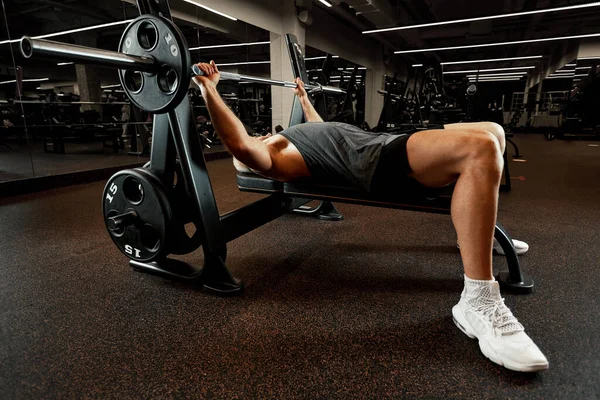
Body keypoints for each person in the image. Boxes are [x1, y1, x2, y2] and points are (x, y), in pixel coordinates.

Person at [193, 61, 548, 372]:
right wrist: (210, 90)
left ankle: (472, 234)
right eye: (256, 136)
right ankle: (478, 301)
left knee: (494, 131)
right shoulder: (277, 157)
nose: (259, 133)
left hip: (383, 142)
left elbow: (322, 128)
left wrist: (303, 100)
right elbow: (239, 144)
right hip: (376, 161)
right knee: (481, 148)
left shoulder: (292, 137)